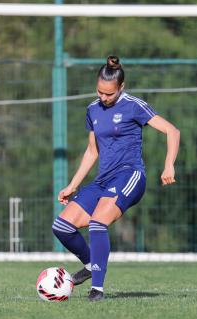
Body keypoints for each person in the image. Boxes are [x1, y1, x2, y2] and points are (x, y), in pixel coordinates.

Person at [52, 55, 180, 301]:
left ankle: (97, 289)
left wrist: (168, 165)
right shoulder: (92, 110)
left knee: (98, 222)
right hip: (103, 180)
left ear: (121, 87)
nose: (103, 97)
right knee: (62, 226)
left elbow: (172, 131)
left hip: (129, 175)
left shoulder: (134, 105)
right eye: (100, 92)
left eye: (109, 94)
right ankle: (91, 264)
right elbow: (92, 151)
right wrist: (72, 185)